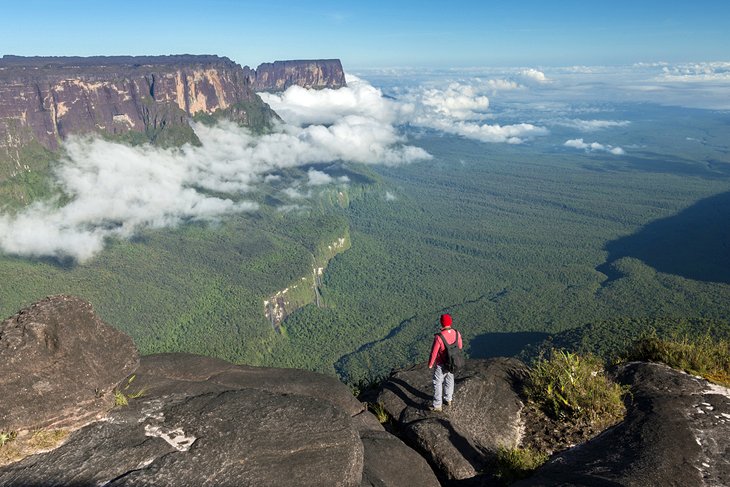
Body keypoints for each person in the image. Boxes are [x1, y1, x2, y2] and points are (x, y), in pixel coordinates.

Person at [428, 313, 463, 411]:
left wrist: (430, 364)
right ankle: (448, 399)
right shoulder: (457, 333)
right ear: (450, 322)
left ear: (441, 323)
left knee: (438, 382)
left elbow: (434, 352)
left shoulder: (439, 337)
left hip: (441, 364)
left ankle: (437, 405)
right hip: (452, 363)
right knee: (449, 380)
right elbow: (460, 346)